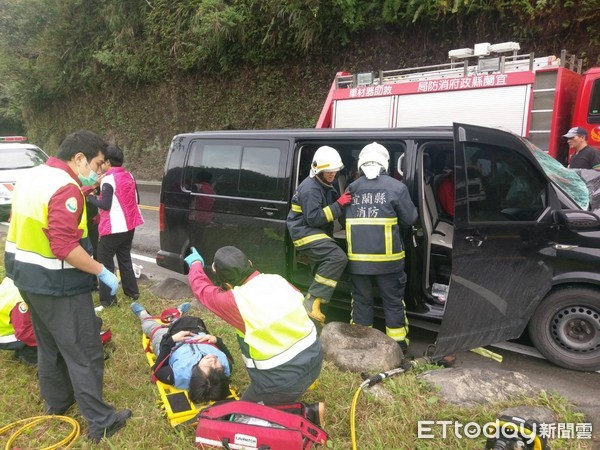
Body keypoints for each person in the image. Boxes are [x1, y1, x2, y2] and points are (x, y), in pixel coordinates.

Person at [4, 130, 131, 443]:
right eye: (97, 164)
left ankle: (57, 401)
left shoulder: (34, 176)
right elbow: (64, 246)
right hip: (57, 282)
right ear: (78, 158)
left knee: (49, 344)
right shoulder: (66, 189)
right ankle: (101, 421)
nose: (98, 171)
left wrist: (82, 192)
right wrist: (102, 270)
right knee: (84, 350)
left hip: (26, 277)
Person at [186, 245, 323, 406]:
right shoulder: (276, 279)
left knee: (244, 416)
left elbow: (201, 289)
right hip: (315, 361)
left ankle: (309, 412)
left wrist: (195, 263)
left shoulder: (235, 302)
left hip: (283, 382)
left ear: (228, 285)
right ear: (249, 263)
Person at [344, 142, 418, 353]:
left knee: (361, 304)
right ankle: (398, 347)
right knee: (393, 304)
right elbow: (410, 218)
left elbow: (342, 219)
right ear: (385, 162)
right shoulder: (397, 187)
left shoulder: (352, 188)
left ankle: (360, 347)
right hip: (389, 263)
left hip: (358, 263)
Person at [286, 146, 350, 325]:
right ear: (318, 169)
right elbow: (314, 218)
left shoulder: (325, 185)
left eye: (335, 171)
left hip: (315, 231)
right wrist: (339, 205)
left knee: (320, 270)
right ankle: (312, 299)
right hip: (305, 232)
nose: (332, 174)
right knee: (337, 258)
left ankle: (316, 311)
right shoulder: (310, 188)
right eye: (328, 171)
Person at [130, 301, 232, 403]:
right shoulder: (226, 366)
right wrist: (216, 340)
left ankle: (143, 313)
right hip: (195, 333)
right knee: (179, 322)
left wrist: (171, 340)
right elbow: (228, 357)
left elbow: (158, 369)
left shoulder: (177, 375)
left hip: (169, 340)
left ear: (197, 375)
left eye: (208, 367)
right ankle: (177, 314)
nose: (213, 360)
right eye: (217, 367)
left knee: (150, 327)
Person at [88, 145, 144, 307]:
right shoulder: (129, 175)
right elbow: (136, 200)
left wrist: (91, 197)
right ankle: (132, 292)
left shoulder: (107, 179)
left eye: (102, 163)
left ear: (107, 163)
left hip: (113, 228)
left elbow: (105, 205)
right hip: (130, 226)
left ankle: (108, 300)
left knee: (106, 265)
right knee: (124, 258)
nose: (100, 166)